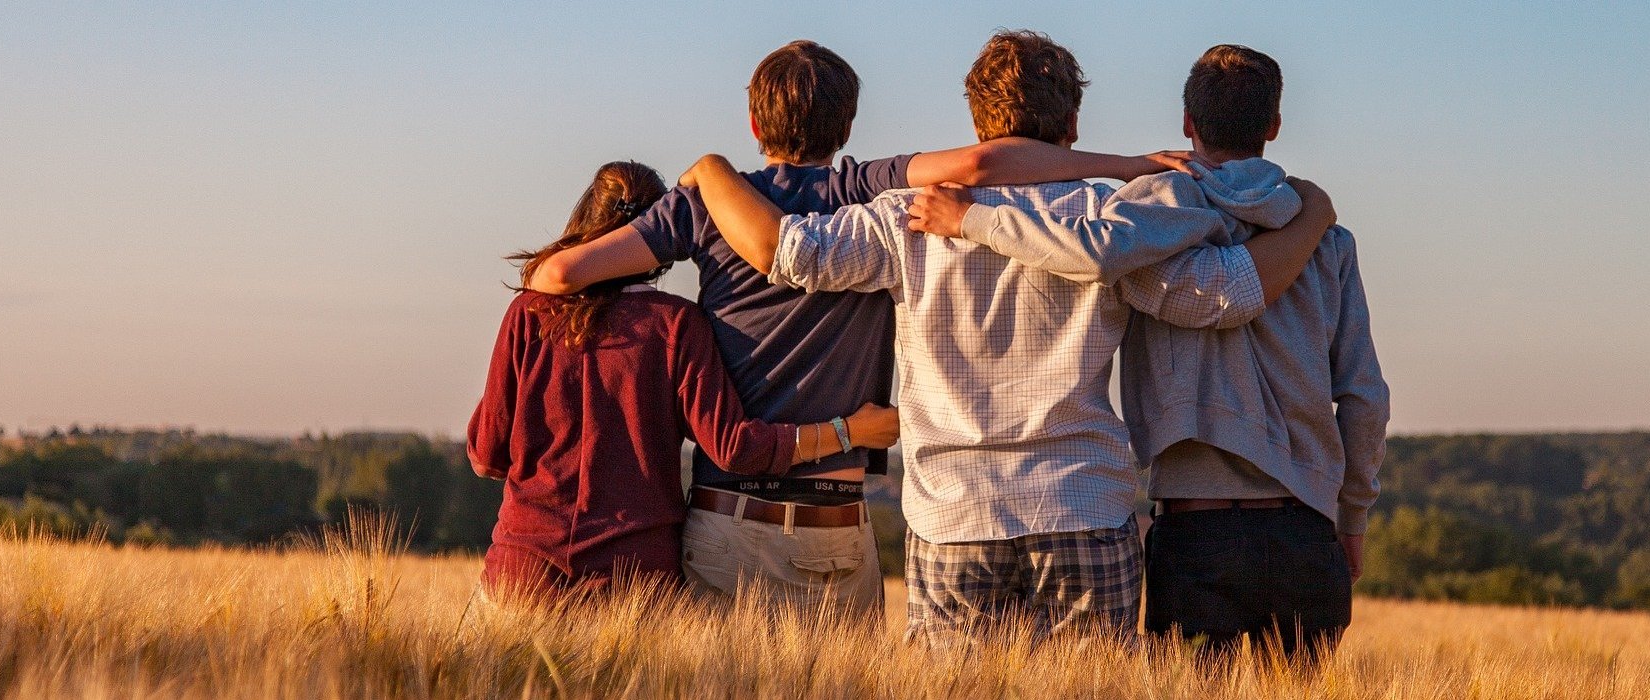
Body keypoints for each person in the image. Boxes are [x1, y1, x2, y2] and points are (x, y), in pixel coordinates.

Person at [679, 31, 1336, 645]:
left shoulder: (906, 216)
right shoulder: (1112, 218)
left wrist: (711, 171)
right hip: (1083, 506)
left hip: (953, 517)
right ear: (1072, 125)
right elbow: (1221, 296)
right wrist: (1310, 220)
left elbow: (789, 253)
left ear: (976, 124)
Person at [521, 40, 1196, 616]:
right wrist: (1125, 166)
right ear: (846, 126)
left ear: (754, 123)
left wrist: (699, 185)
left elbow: (556, 279)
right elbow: (984, 165)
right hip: (837, 524)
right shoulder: (864, 189)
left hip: (728, 516)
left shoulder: (706, 206)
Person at [907, 45, 1390, 662]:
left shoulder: (1144, 219)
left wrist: (973, 219)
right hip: (1307, 528)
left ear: (1187, 123)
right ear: (1273, 126)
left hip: (1195, 531)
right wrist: (1351, 518)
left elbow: (1091, 252)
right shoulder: (1327, 239)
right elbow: (1364, 398)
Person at [467, 161, 900, 604]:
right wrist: (850, 432)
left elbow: (487, 456)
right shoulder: (676, 325)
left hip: (523, 571)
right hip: (634, 582)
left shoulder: (529, 314)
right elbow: (734, 448)